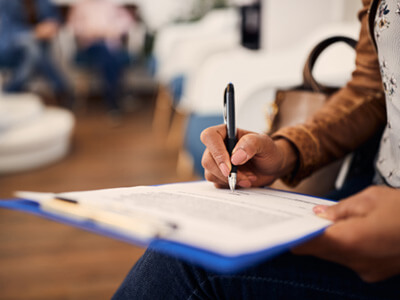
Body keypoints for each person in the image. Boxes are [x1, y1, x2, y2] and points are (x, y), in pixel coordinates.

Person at [112, 0, 400, 298]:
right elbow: (371, 88)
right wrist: (285, 150)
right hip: (370, 191)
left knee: (187, 266)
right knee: (196, 243)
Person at [67, 0, 135, 117]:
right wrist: (94, 32)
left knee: (109, 55)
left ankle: (113, 100)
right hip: (90, 47)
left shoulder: (111, 5)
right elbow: (74, 27)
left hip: (111, 45)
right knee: (108, 54)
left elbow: (127, 22)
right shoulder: (80, 6)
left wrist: (113, 30)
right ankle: (116, 99)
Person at [0, 0, 73, 108]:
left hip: (36, 51)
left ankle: (11, 91)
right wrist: (34, 33)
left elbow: (55, 17)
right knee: (33, 48)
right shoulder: (7, 2)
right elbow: (8, 30)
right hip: (11, 49)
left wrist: (51, 25)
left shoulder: (43, 2)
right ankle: (62, 89)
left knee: (34, 51)